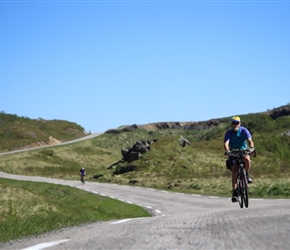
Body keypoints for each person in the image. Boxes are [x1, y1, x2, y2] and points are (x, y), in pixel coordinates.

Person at [224, 116, 255, 202]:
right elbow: (226, 143)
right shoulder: (229, 133)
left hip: (243, 150)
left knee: (247, 160)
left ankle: (247, 175)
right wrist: (227, 151)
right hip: (233, 152)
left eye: (237, 123)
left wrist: (251, 147)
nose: (235, 125)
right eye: (233, 123)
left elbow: (250, 140)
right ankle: (235, 192)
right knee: (234, 170)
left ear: (240, 123)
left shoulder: (244, 130)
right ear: (231, 124)